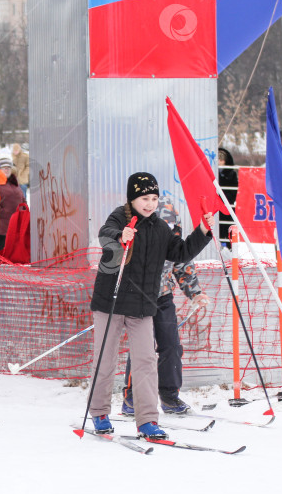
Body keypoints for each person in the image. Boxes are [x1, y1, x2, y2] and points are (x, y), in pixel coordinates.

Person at [89, 173, 213, 440]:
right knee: (106, 359)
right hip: (110, 302)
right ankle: (99, 412)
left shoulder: (160, 228)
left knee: (146, 362)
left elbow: (180, 253)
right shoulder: (119, 218)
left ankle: (147, 421)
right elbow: (105, 235)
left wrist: (203, 231)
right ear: (133, 198)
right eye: (144, 198)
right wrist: (120, 235)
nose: (149, 203)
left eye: (154, 198)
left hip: (144, 304)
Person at [120, 195, 210, 416]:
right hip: (139, 298)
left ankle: (169, 396)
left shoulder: (172, 238)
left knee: (171, 345)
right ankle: (132, 397)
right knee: (142, 349)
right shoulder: (136, 236)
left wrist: (195, 292)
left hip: (163, 297)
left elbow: (182, 263)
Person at [0, 173, 25, 252]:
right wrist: (3, 212)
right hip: (2, 226)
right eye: (4, 167)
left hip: (16, 223)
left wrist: (23, 212)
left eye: (8, 167)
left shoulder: (15, 184)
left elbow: (23, 200)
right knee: (0, 250)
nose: (7, 170)